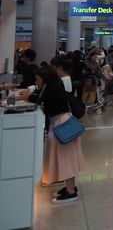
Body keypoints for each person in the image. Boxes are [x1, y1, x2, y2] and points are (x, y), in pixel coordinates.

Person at [19, 64, 85, 203]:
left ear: (45, 78)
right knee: (65, 157)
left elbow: (39, 100)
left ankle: (71, 191)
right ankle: (69, 187)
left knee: (66, 159)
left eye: (37, 79)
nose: (36, 82)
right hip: (61, 124)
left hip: (63, 126)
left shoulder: (52, 88)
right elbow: (39, 96)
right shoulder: (54, 85)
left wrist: (26, 97)